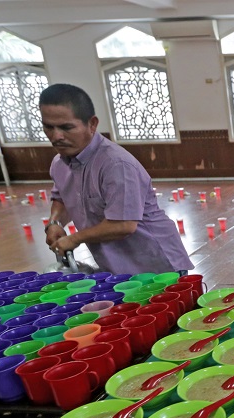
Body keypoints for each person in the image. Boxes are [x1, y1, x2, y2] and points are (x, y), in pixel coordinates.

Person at [39, 84, 193, 275]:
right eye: (48, 127)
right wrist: (54, 223)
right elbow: (62, 197)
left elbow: (123, 225)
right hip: (114, 266)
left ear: (92, 124)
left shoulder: (116, 164)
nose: (56, 136)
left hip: (155, 267)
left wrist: (75, 239)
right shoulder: (59, 163)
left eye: (66, 127)